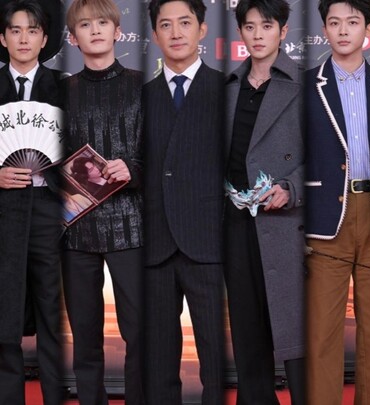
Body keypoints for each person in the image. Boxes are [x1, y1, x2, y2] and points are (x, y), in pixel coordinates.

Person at [142, 0, 226, 403]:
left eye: (185, 23)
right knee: (159, 359)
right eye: (166, 25)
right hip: (155, 242)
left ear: (202, 29)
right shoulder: (141, 96)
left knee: (216, 356)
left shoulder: (227, 89)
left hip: (209, 241)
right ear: (154, 35)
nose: (176, 33)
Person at [62, 0, 145, 403]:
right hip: (76, 229)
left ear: (117, 31)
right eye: (84, 25)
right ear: (72, 38)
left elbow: (166, 155)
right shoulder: (61, 92)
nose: (94, 30)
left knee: (140, 332)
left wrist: (133, 169)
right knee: (85, 335)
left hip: (133, 225)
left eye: (101, 23)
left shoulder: (144, 86)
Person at [304, 0, 370, 404]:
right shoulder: (304, 86)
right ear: (324, 29)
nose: (342, 30)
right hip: (325, 217)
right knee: (322, 331)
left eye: (352, 22)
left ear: (367, 28)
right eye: (334, 23)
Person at [224, 0, 305, 403]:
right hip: (236, 224)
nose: (258, 35)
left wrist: (291, 187)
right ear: (240, 31)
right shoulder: (227, 87)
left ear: (283, 31)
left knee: (296, 335)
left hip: (286, 224)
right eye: (250, 26)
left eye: (267, 26)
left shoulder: (305, 85)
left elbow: (331, 157)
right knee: (248, 334)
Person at [0, 0, 66, 403]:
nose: (23, 39)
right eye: (15, 30)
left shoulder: (66, 87)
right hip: (3, 211)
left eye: (32, 30)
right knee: (4, 316)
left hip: (49, 212)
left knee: (50, 312)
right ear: (2, 38)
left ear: (44, 39)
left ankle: (54, 396)